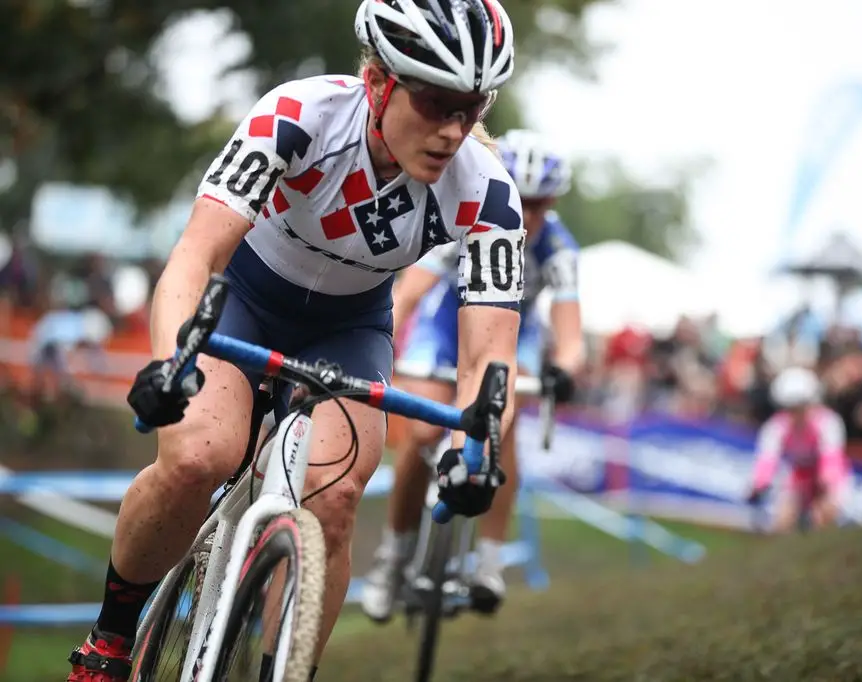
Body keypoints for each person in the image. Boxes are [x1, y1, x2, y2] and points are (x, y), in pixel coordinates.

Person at [67, 1, 522, 680]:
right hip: (243, 300)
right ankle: (110, 638)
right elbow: (195, 256)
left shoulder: (485, 192)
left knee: (334, 501)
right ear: (378, 82)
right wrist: (168, 362)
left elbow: (489, 362)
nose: (455, 130)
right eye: (435, 102)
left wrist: (472, 449)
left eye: (473, 106)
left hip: (349, 328)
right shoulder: (298, 116)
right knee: (200, 458)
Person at [361, 128, 584, 621]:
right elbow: (407, 295)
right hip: (444, 329)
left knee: (502, 426)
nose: (525, 216)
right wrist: (382, 335)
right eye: (519, 199)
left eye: (539, 205)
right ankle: (392, 558)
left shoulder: (560, 249)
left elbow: (571, 338)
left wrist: (563, 371)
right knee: (420, 431)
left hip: (510, 334)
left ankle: (488, 562)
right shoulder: (469, 211)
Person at [746, 366, 850, 533]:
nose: (796, 413)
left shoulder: (828, 422)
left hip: (827, 478)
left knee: (824, 515)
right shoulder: (776, 427)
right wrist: (758, 485)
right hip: (798, 476)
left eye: (800, 406)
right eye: (790, 407)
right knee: (783, 520)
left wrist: (827, 485)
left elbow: (832, 460)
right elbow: (767, 460)